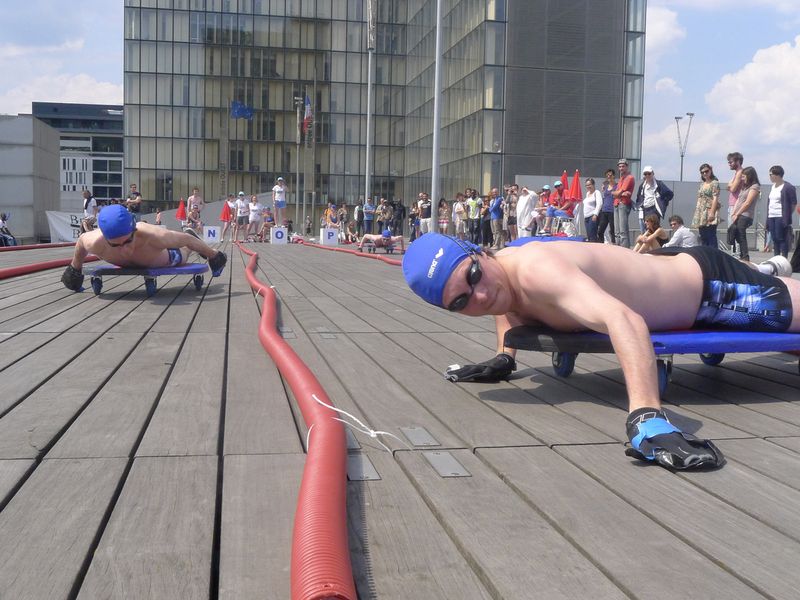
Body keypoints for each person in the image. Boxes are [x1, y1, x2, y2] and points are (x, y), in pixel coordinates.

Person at [402, 233, 800, 470]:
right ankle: (766, 268)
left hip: (713, 291)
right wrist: (505, 357)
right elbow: (502, 303)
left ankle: (765, 274)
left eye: (473, 275)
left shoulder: (538, 270)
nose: (481, 295)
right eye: (461, 302)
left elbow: (625, 320)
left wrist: (646, 415)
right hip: (661, 268)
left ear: (479, 251)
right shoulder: (498, 275)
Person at [61, 204, 226, 291]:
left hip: (166, 257)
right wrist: (74, 271)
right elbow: (81, 242)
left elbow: (188, 240)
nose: (123, 249)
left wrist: (213, 256)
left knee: (183, 252)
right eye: (115, 244)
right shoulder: (93, 241)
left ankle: (188, 245)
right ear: (105, 238)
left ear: (134, 230)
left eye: (127, 241)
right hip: (148, 258)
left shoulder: (153, 235)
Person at [728, 166, 760, 261]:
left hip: (746, 215)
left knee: (741, 234)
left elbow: (747, 202)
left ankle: (745, 257)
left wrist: (737, 214)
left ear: (749, 176)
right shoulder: (744, 187)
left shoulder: (755, 187)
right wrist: (734, 212)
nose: (742, 178)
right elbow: (738, 199)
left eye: (744, 176)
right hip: (738, 213)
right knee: (735, 232)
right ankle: (740, 254)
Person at [765, 165, 797, 259]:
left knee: (781, 238)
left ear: (777, 175)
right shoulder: (773, 187)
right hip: (771, 216)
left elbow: (793, 203)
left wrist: (786, 215)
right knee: (774, 239)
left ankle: (783, 258)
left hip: (780, 216)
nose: (769, 176)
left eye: (771, 174)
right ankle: (776, 258)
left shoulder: (788, 187)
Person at [634, 167, 673, 233]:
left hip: (654, 209)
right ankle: (649, 242)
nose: (647, 175)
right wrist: (640, 205)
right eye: (645, 174)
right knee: (647, 228)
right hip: (645, 209)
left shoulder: (659, 184)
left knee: (654, 228)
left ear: (653, 174)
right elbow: (638, 197)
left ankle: (657, 242)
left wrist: (663, 202)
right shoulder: (642, 186)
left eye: (649, 174)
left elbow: (670, 194)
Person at [692, 163, 720, 248]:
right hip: (701, 210)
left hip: (709, 209)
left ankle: (714, 256)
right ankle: (705, 256)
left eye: (706, 171)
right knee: (702, 235)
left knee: (710, 235)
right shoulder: (702, 184)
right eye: (702, 172)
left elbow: (715, 198)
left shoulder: (714, 183)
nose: (704, 173)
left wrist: (712, 212)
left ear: (710, 171)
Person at [613, 159, 635, 247]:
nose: (621, 168)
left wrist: (613, 192)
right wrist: (620, 193)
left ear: (627, 166)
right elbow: (619, 193)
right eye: (620, 166)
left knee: (623, 230)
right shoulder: (621, 178)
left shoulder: (629, 177)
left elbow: (617, 193)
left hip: (623, 204)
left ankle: (625, 249)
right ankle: (618, 248)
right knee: (617, 231)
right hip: (617, 203)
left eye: (623, 166)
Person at [597, 169, 616, 244]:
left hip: (612, 211)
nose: (609, 177)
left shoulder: (616, 186)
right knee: (600, 231)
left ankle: (614, 246)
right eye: (607, 175)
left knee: (613, 231)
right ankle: (602, 247)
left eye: (610, 175)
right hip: (604, 210)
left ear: (613, 176)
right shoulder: (605, 186)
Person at [583, 178, 602, 242]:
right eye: (587, 185)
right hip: (586, 217)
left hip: (592, 216)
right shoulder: (587, 193)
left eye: (589, 185)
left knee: (592, 235)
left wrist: (595, 214)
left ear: (593, 184)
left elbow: (599, 204)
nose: (588, 186)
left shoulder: (597, 192)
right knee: (589, 235)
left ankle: (595, 250)